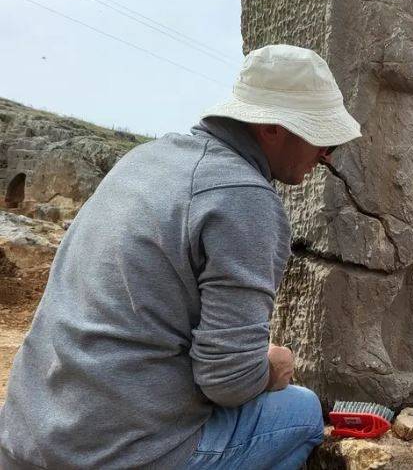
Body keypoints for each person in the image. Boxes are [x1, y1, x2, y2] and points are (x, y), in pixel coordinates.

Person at [0, 45, 362, 469]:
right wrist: (271, 367)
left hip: (28, 436)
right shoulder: (244, 198)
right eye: (322, 135)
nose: (328, 154)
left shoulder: (144, 160)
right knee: (300, 413)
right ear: (272, 128)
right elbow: (228, 381)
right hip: (108, 455)